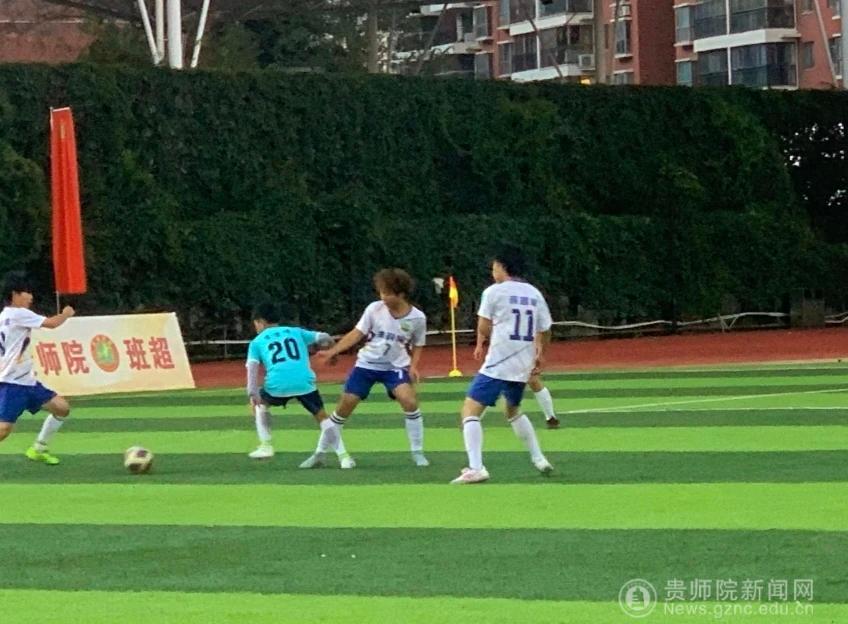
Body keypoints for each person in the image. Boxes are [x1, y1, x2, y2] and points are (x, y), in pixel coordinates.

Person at [451, 245, 554, 484]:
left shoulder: (493, 292)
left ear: (502, 266)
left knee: (469, 411)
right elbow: (546, 328)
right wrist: (541, 353)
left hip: (498, 362)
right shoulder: (534, 293)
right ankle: (539, 458)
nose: (492, 271)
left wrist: (495, 336)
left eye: (494, 267)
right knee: (512, 411)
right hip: (522, 363)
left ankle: (476, 468)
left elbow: (483, 326)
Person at [313, 268, 429, 468]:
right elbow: (356, 333)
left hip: (395, 367)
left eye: (387, 293)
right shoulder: (374, 309)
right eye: (381, 292)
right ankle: (320, 453)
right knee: (345, 406)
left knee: (409, 401)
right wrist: (333, 351)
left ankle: (417, 452)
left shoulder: (418, 318)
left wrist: (413, 366)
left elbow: (418, 344)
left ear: (401, 294)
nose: (382, 297)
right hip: (366, 365)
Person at [245, 301, 353, 469]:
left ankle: (266, 445)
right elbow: (324, 336)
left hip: (277, 384)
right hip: (304, 382)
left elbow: (252, 369)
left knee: (258, 404)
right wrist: (333, 352)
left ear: (260, 322)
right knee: (323, 418)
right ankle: (344, 457)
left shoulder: (257, 342)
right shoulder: (296, 332)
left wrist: (252, 392)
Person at [0, 271, 75, 465]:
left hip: (27, 381)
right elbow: (52, 323)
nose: (31, 297)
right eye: (27, 292)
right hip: (14, 383)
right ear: (15, 294)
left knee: (61, 408)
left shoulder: (4, 316)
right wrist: (66, 314)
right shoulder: (18, 314)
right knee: (4, 429)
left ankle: (39, 448)